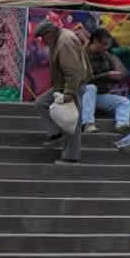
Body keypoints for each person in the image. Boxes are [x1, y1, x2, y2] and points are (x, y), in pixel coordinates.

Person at [33, 19, 89, 164]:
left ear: (50, 33)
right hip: (63, 85)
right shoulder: (57, 39)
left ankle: (71, 156)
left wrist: (69, 93)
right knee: (41, 103)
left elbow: (72, 71)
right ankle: (56, 133)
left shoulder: (65, 42)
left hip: (72, 85)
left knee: (72, 121)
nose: (43, 41)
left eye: (43, 37)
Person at [79, 27, 130, 133]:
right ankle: (87, 124)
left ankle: (122, 125)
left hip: (99, 95)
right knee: (91, 88)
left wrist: (117, 74)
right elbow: (82, 79)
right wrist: (106, 75)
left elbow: (124, 73)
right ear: (94, 41)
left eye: (107, 44)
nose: (106, 47)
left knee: (124, 102)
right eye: (103, 44)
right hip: (81, 95)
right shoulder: (81, 54)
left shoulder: (106, 55)